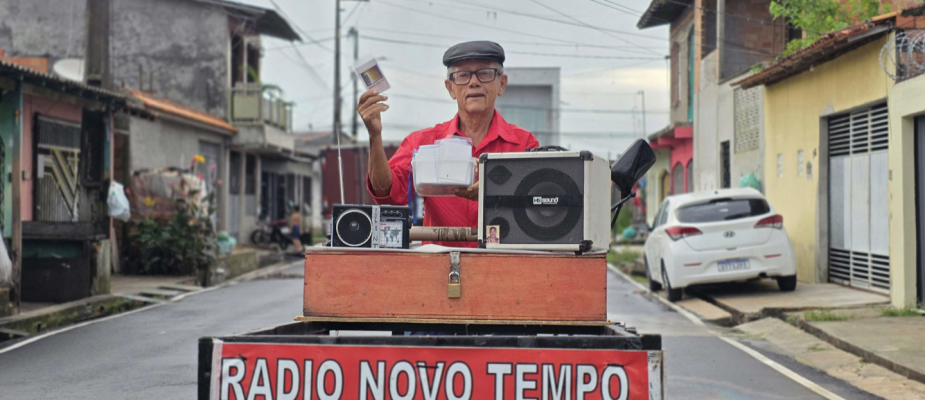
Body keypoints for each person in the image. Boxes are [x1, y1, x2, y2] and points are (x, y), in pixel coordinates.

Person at [359, 41, 539, 247]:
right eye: (463, 75)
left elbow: (538, 205)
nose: (473, 82)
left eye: (485, 73)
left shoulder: (524, 144)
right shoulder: (422, 142)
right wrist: (375, 135)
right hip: (438, 268)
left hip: (503, 267)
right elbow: (386, 194)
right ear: (450, 88)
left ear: (502, 84)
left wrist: (495, 191)